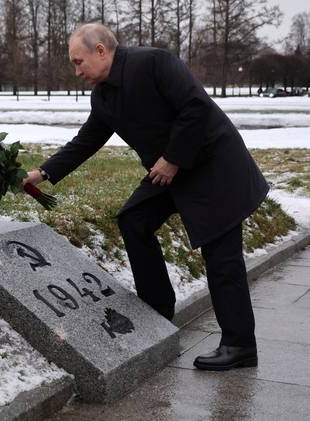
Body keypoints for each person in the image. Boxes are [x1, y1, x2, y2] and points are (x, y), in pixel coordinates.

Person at [24, 23, 268, 371]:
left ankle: (240, 344)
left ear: (101, 51)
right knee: (134, 219)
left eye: (79, 62)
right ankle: (158, 313)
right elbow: (87, 139)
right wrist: (44, 172)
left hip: (214, 166)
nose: (76, 71)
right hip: (171, 171)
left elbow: (196, 107)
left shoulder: (154, 63)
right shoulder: (104, 94)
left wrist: (171, 159)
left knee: (222, 258)